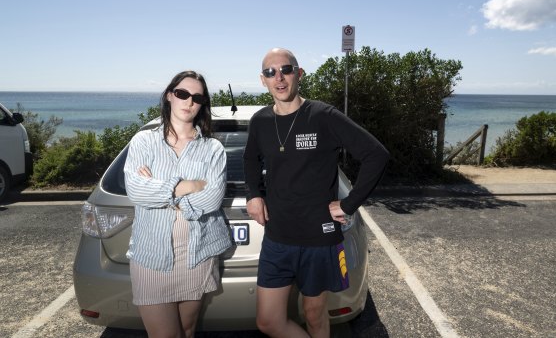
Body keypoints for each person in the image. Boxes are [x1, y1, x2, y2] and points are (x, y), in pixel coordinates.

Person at [244, 48, 389, 337]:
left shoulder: (323, 116)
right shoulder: (260, 121)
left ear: (299, 74)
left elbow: (376, 154)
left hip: (318, 239)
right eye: (271, 72)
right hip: (277, 237)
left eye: (286, 69)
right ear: (263, 80)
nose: (279, 77)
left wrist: (349, 204)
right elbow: (249, 159)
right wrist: (253, 194)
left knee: (314, 314)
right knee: (268, 321)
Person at [124, 70, 232, 338]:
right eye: (183, 94)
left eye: (197, 97)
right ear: (170, 96)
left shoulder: (212, 149)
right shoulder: (144, 141)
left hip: (197, 256)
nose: (189, 101)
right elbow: (136, 190)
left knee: (187, 330)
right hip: (151, 258)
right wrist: (188, 186)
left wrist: (160, 189)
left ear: (202, 104)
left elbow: (212, 197)